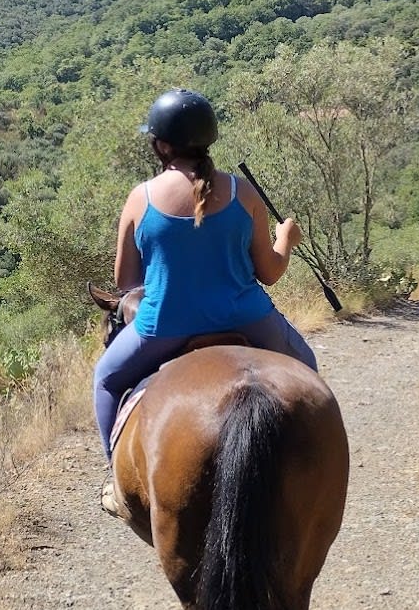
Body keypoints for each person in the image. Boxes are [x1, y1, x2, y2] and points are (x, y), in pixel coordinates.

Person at [93, 88, 318, 457]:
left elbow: (125, 282)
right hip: (248, 319)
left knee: (105, 381)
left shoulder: (141, 197)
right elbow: (270, 272)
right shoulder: (243, 193)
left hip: (163, 326)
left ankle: (114, 483)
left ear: (162, 146)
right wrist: (285, 240)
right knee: (306, 369)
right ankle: (310, 461)